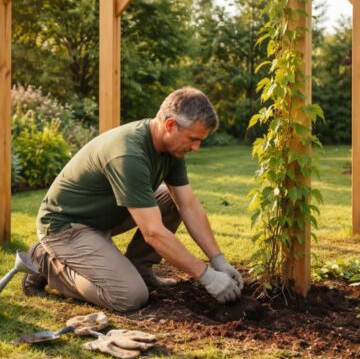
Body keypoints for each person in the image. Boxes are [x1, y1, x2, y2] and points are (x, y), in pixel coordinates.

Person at [22, 87, 243, 311]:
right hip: (66, 227)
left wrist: (218, 260)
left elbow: (189, 206)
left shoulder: (171, 148)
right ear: (169, 125)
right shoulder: (129, 154)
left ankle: (140, 269)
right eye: (193, 139)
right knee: (128, 296)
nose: (196, 148)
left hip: (102, 218)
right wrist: (206, 276)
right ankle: (45, 262)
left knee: (169, 198)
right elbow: (154, 232)